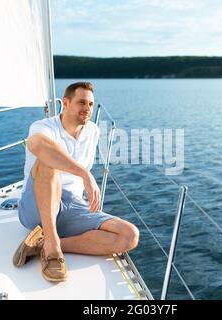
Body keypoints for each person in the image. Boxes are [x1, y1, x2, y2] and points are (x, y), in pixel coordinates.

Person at [12, 82, 139, 282]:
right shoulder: (44, 127)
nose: (87, 109)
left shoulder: (92, 131)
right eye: (81, 102)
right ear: (65, 103)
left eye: (90, 104)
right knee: (48, 161)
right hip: (37, 204)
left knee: (129, 236)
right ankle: (52, 249)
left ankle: (45, 243)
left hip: (72, 206)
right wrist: (85, 174)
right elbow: (37, 144)